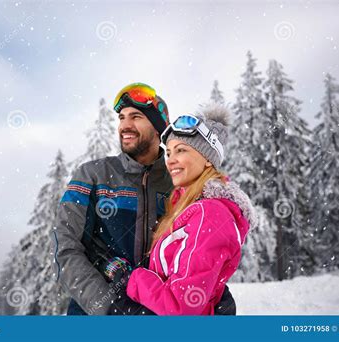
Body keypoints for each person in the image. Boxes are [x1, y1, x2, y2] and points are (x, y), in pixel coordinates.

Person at [54, 83, 237, 315]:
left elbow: (198, 253)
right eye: (121, 117)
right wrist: (109, 306)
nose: (125, 125)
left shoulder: (181, 184)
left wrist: (215, 293)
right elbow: (67, 249)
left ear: (157, 126)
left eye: (136, 116)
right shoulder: (92, 175)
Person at [108, 104, 257, 315]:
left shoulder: (211, 214)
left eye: (181, 150)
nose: (171, 160)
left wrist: (130, 279)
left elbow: (182, 307)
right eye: (168, 152)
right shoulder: (189, 209)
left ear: (208, 160)